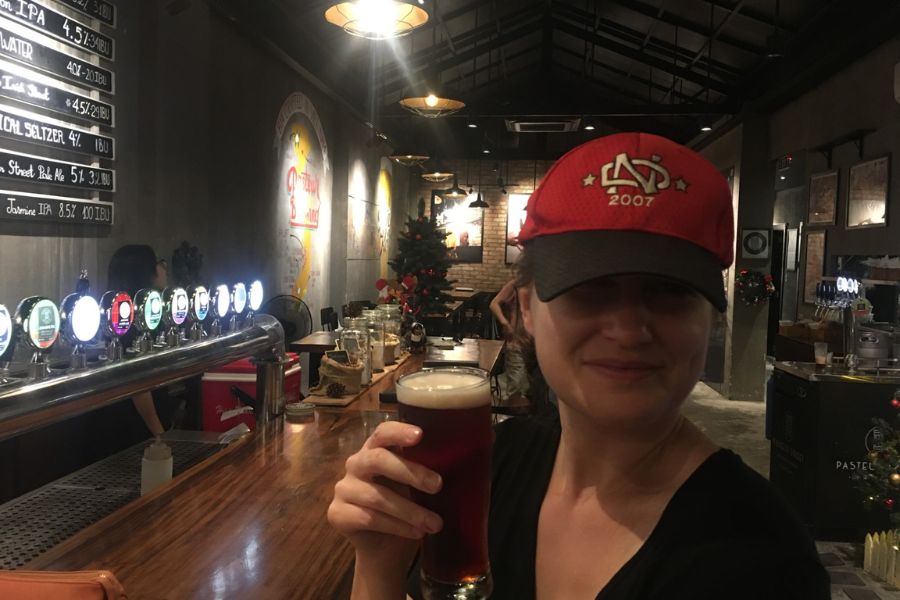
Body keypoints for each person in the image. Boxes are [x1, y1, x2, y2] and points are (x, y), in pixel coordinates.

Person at [327, 133, 829, 599]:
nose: (628, 330)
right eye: (590, 290)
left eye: (670, 291)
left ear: (712, 320)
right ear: (527, 310)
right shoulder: (496, 467)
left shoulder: (765, 560)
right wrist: (379, 564)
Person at [106, 244, 174, 437]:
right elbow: (137, 385)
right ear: (145, 271)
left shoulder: (136, 315)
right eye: (158, 262)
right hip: (133, 431)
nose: (164, 268)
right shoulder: (131, 321)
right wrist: (159, 433)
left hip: (134, 424)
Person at [489, 278, 531, 409]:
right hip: (516, 341)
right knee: (516, 383)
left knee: (530, 385)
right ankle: (514, 418)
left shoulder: (543, 285)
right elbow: (494, 304)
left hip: (535, 344)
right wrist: (505, 322)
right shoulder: (516, 284)